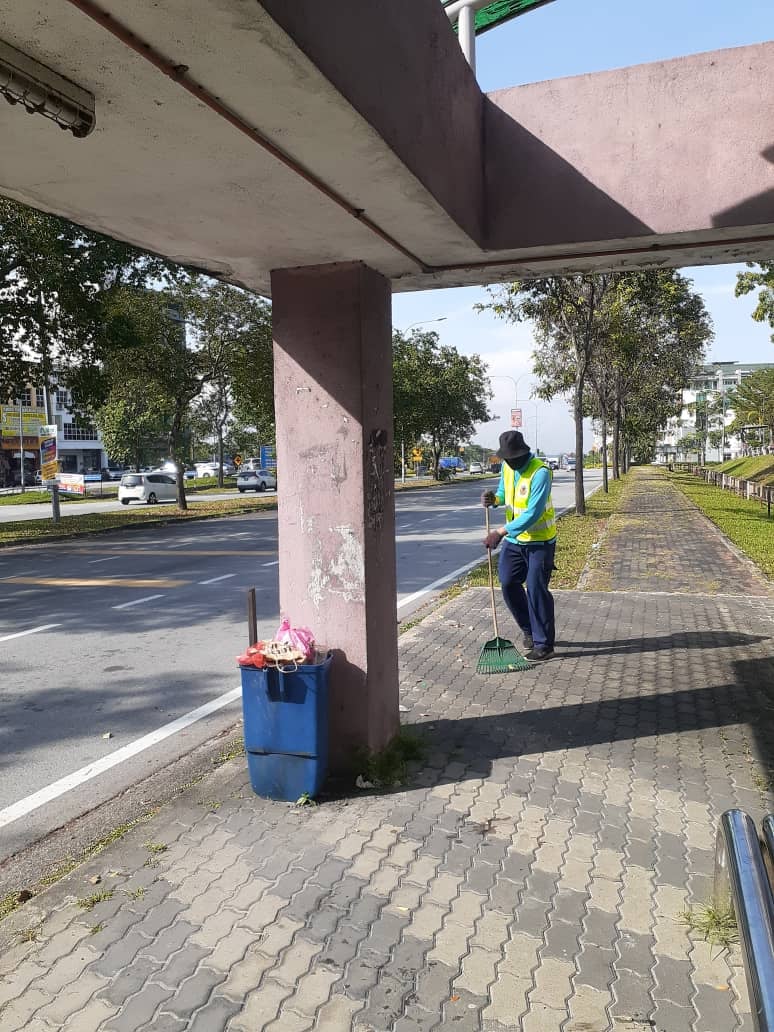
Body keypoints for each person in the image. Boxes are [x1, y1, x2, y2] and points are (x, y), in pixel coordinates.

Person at [482, 430, 557, 661]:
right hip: (515, 542)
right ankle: (529, 630)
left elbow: (533, 512)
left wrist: (500, 532)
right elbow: (505, 494)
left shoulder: (540, 472)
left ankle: (544, 644)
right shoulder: (507, 467)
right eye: (507, 459)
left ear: (523, 453)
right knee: (508, 582)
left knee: (535, 589)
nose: (511, 463)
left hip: (540, 542)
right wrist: (494, 499)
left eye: (514, 459)